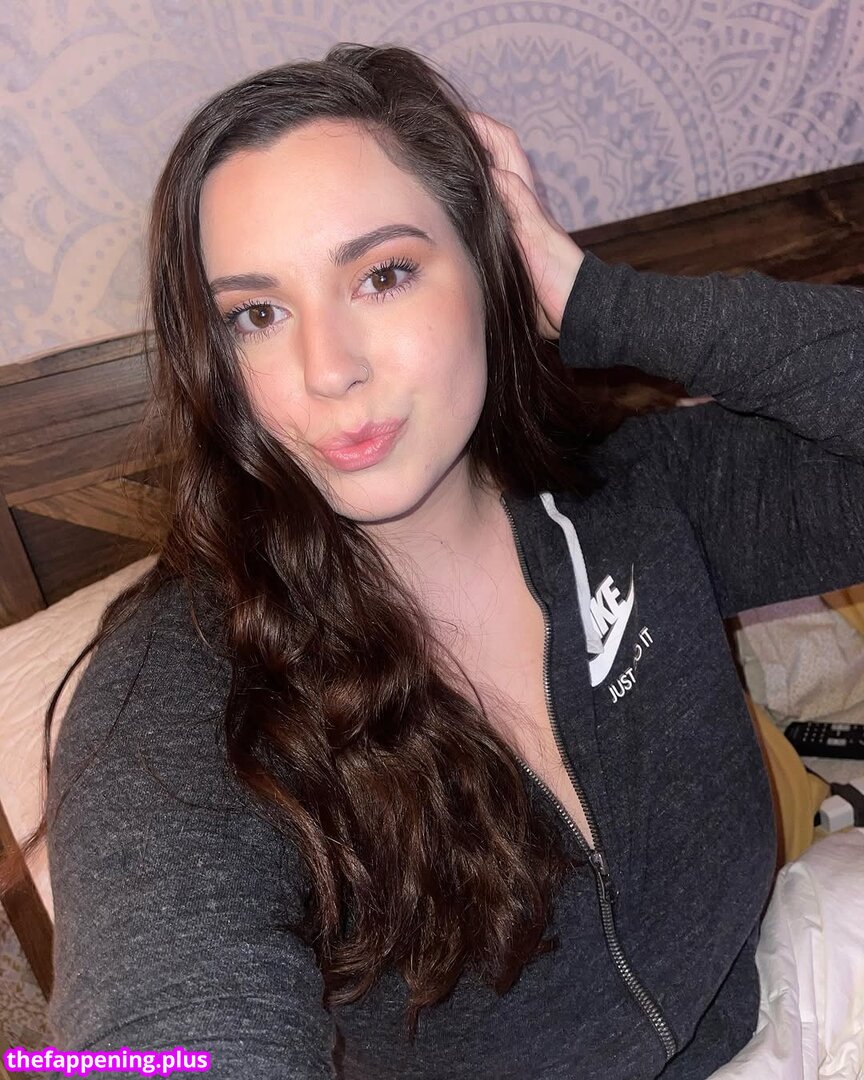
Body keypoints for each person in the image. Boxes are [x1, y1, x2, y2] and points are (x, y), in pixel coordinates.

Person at [21, 42, 864, 1079]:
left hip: (773, 1011)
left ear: (487, 268)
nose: (329, 370)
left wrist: (596, 296)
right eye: (257, 315)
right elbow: (163, 1027)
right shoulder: (179, 699)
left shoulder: (640, 499)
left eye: (383, 275)